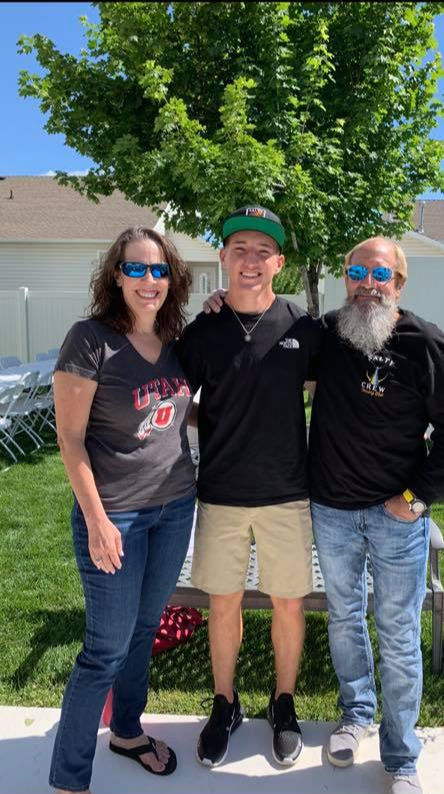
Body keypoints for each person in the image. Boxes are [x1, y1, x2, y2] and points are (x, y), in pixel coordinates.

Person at [49, 227, 197, 794]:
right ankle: (69, 779)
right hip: (117, 517)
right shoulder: (90, 340)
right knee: (104, 649)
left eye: (159, 270)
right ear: (117, 276)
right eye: (136, 269)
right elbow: (70, 438)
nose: (149, 280)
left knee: (143, 631)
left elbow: (176, 414)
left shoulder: (174, 340)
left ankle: (128, 732)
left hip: (175, 508)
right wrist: (97, 520)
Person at [176, 206, 321, 768]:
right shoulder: (203, 330)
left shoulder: (304, 328)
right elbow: (171, 401)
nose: (252, 260)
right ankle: (225, 704)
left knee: (289, 602)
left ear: (279, 263)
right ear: (223, 258)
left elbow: (335, 389)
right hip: (221, 495)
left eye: (264, 251)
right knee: (223, 604)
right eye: (240, 249)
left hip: (288, 493)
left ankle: (284, 704)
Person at [308, 236, 444, 794]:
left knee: (398, 633)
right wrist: (221, 305)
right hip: (333, 512)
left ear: (399, 283)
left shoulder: (426, 344)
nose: (367, 283)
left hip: (398, 518)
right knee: (343, 620)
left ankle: (401, 756)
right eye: (357, 271)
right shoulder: (324, 334)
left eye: (379, 274)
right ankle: (356, 715)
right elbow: (264, 334)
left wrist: (415, 499)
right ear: (346, 278)